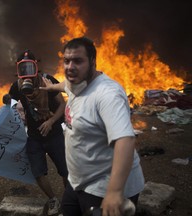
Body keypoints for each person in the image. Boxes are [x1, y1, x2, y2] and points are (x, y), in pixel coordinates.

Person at [40, 37, 145, 216]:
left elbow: (125, 140)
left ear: (93, 62)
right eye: (66, 61)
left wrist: (114, 192)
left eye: (78, 61)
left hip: (103, 187)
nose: (70, 67)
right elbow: (67, 85)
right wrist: (53, 88)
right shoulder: (76, 82)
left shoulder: (107, 95)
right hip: (78, 182)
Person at [9, 50, 68, 215]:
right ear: (18, 70)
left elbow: (62, 105)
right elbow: (11, 106)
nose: (26, 73)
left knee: (65, 170)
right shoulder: (17, 87)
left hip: (54, 133)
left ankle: (70, 199)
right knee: (38, 172)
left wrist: (50, 121)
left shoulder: (47, 81)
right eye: (23, 69)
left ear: (36, 66)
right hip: (34, 136)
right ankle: (53, 200)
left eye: (30, 67)